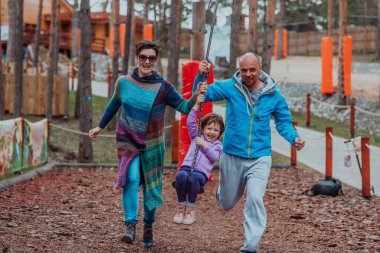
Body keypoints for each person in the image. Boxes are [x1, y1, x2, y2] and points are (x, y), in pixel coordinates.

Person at [89, 40, 205, 249]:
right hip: (128, 140)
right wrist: (100, 126)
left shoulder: (163, 86)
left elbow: (185, 106)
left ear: (155, 60)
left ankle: (148, 226)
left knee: (151, 187)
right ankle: (130, 226)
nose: (147, 61)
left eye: (151, 58)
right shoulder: (123, 82)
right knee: (131, 179)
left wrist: (198, 88)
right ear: (137, 58)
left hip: (152, 143)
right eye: (143, 57)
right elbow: (114, 104)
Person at [193, 52, 305, 253]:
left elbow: (284, 122)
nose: (248, 74)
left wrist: (293, 137)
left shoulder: (273, 94)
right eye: (244, 70)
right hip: (232, 155)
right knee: (226, 203)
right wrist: (200, 77)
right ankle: (223, 192)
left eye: (252, 69)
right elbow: (203, 94)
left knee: (255, 197)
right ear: (239, 69)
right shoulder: (230, 86)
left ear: (260, 68)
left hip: (260, 157)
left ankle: (250, 246)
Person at [173, 94, 224, 225]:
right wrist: (196, 105)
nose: (212, 132)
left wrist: (204, 145)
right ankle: (180, 208)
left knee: (192, 178)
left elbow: (214, 157)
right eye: (209, 128)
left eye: (216, 130)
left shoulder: (217, 145)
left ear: (220, 133)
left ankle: (190, 210)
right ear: (203, 128)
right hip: (187, 167)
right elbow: (190, 121)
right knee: (181, 175)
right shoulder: (196, 136)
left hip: (201, 174)